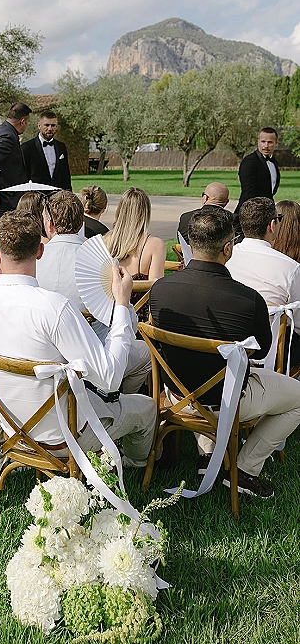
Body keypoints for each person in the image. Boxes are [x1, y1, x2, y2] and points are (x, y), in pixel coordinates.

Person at [0, 211, 156, 472]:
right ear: (40, 252)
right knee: (146, 408)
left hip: (12, 432)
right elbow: (110, 377)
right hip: (65, 437)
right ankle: (133, 467)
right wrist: (122, 306)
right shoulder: (55, 309)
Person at [149, 206, 300, 498]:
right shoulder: (248, 300)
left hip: (178, 396)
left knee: (201, 367)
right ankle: (244, 469)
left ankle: (208, 454)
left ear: (190, 245)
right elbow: (262, 352)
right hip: (228, 401)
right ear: (228, 248)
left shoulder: (160, 290)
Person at [36, 191, 151, 394]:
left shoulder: (34, 261)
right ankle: (120, 401)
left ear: (50, 225)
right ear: (82, 221)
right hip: (92, 362)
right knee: (145, 354)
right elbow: (128, 325)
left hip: (44, 355)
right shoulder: (103, 264)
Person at [227, 197, 300, 369]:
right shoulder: (290, 268)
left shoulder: (226, 258)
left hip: (226, 349)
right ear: (272, 225)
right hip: (273, 356)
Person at [104, 188, 166, 321]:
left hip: (108, 318)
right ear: (146, 213)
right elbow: (156, 291)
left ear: (120, 211)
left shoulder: (106, 241)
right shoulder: (155, 245)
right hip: (140, 323)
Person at [0, 101, 32, 234]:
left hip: (2, 199)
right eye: (28, 122)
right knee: (1, 239)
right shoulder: (8, 136)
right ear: (23, 121)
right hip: (2, 201)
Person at [234, 128, 280, 236]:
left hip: (267, 211)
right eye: (263, 141)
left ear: (276, 143)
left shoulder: (273, 161)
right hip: (252, 214)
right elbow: (248, 193)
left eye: (270, 142)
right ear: (258, 141)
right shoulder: (249, 162)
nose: (266, 146)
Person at [21, 110, 72, 191]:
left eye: (53, 125)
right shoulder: (27, 147)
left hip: (58, 196)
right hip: (36, 196)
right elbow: (22, 176)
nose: (50, 128)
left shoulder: (61, 146)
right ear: (39, 126)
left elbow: (65, 174)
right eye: (46, 125)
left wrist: (69, 194)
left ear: (56, 126)